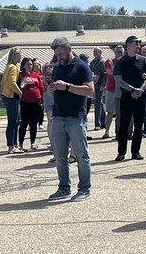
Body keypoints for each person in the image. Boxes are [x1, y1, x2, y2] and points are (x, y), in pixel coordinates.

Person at [45, 37, 94, 202]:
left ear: (69, 49)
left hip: (76, 117)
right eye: (56, 54)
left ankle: (84, 188)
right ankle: (64, 187)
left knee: (81, 155)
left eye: (60, 53)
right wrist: (51, 89)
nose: (58, 57)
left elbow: (89, 90)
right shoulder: (58, 67)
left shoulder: (82, 67)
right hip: (59, 116)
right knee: (60, 156)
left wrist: (67, 86)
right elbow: (55, 87)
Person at [114, 35, 146, 161]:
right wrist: (132, 89)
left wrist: (141, 89)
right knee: (124, 124)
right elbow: (118, 80)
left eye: (139, 43)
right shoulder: (121, 62)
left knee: (139, 125)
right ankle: (121, 152)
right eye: (136, 43)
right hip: (127, 96)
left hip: (141, 96)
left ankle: (136, 152)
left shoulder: (143, 60)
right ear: (128, 45)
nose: (138, 45)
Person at [17, 57, 44, 151]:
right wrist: (24, 81)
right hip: (25, 102)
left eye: (31, 64)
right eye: (28, 64)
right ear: (23, 66)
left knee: (33, 123)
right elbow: (19, 87)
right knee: (24, 123)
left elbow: (41, 87)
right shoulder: (20, 75)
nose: (30, 66)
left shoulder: (36, 75)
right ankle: (20, 144)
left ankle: (32, 143)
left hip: (36, 102)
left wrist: (41, 99)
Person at [0, 47, 22, 154]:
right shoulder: (13, 68)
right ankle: (11, 146)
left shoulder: (8, 66)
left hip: (7, 96)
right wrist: (20, 92)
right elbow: (12, 83)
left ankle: (15, 144)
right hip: (12, 97)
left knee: (16, 121)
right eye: (19, 54)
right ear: (14, 56)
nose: (20, 56)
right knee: (13, 122)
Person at [90, 47, 107, 128]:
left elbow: (105, 75)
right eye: (94, 52)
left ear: (100, 52)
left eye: (96, 52)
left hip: (100, 85)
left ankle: (98, 123)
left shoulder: (102, 62)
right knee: (99, 103)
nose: (94, 53)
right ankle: (104, 123)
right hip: (94, 85)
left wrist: (103, 85)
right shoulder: (93, 62)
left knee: (98, 103)